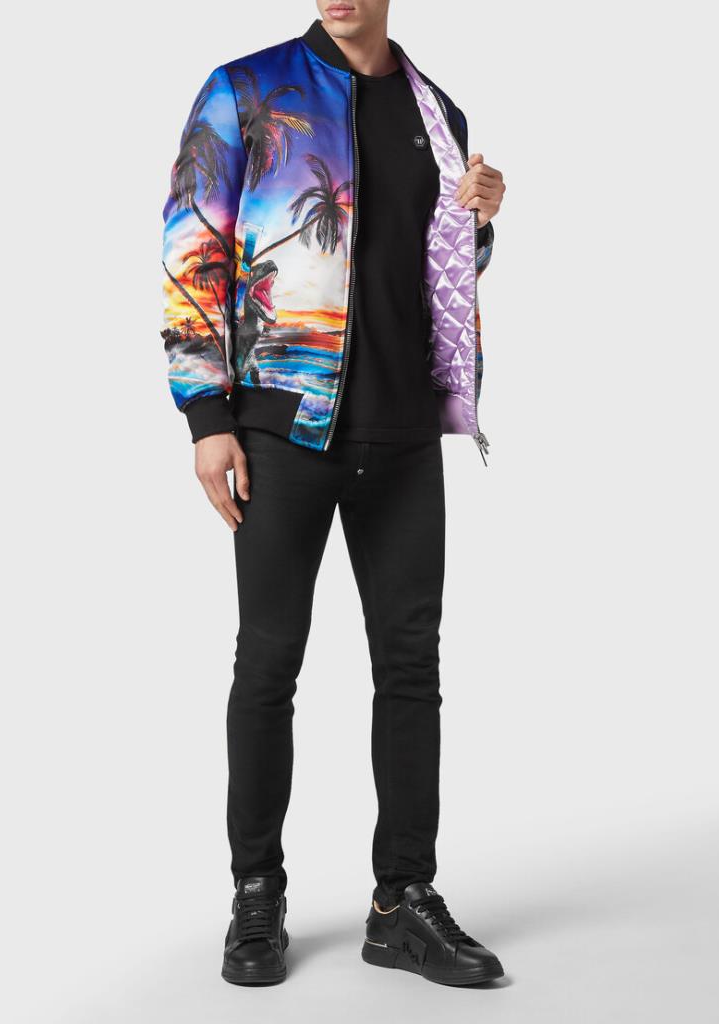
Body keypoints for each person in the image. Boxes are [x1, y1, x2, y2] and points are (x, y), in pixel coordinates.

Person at [160, 0, 506, 987]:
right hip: (284, 428)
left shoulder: (437, 111)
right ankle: (256, 893)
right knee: (269, 662)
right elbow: (193, 248)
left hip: (403, 427)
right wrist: (207, 414)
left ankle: (403, 901)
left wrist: (479, 220)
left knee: (411, 666)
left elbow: (433, 263)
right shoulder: (246, 90)